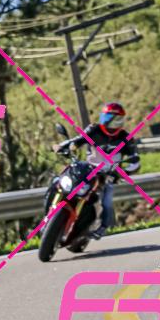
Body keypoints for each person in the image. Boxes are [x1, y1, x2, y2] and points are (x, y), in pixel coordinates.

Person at [53, 102, 141, 239]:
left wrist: (124, 172)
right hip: (88, 169)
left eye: (115, 119)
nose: (110, 123)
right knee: (58, 181)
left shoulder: (126, 138)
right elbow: (77, 140)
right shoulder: (94, 130)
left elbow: (135, 161)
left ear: (121, 121)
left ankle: (103, 227)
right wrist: (62, 146)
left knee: (106, 202)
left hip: (109, 175)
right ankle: (51, 211)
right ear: (102, 117)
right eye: (108, 118)